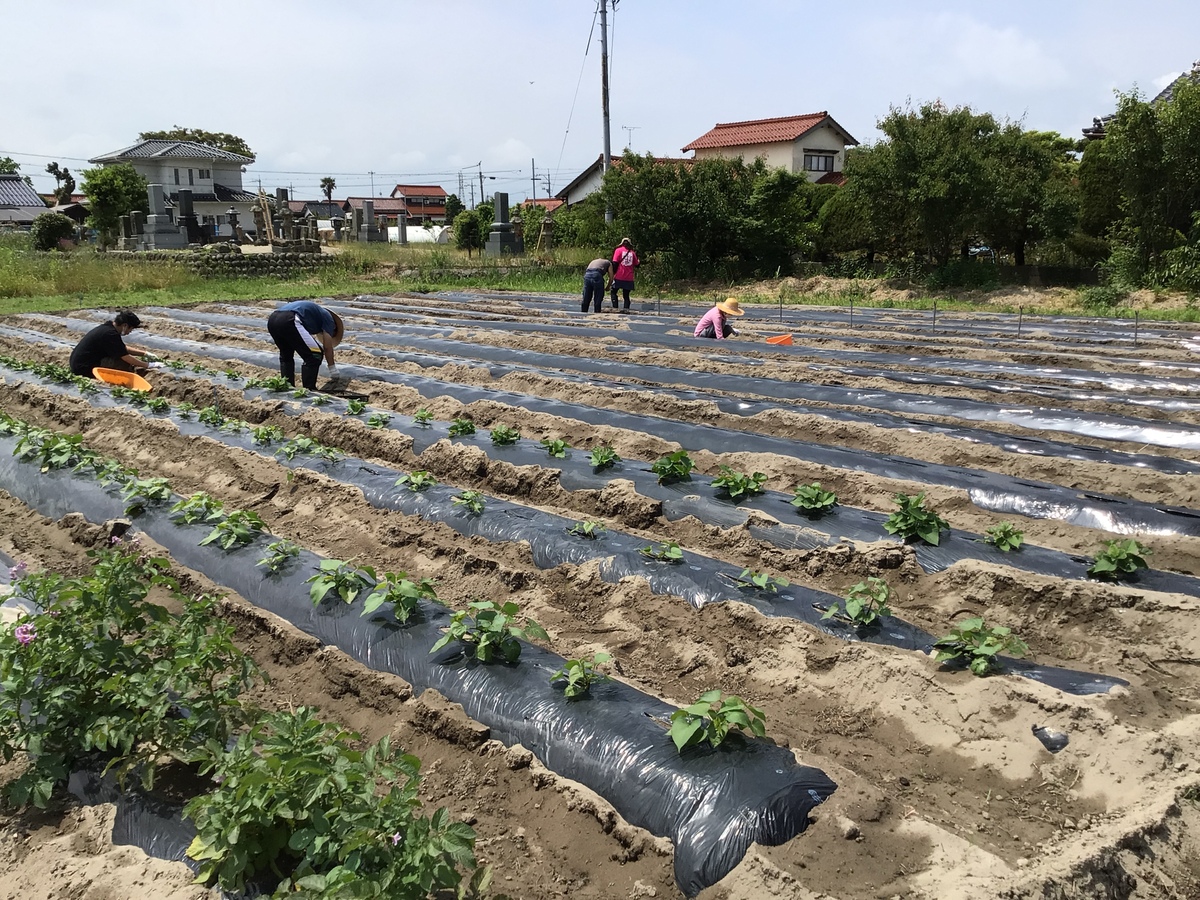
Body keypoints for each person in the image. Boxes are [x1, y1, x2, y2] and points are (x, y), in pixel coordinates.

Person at [267, 300, 345, 390]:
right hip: (290, 319)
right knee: (315, 354)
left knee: (286, 355)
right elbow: (327, 347)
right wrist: (332, 369)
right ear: (335, 327)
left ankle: (287, 387)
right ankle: (309, 390)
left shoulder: (315, 315)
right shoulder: (329, 320)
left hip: (273, 319)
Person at [69, 310, 150, 377]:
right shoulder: (110, 334)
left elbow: (121, 349)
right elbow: (125, 357)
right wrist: (147, 365)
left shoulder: (107, 328)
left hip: (77, 364)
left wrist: (145, 354)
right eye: (131, 329)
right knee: (122, 363)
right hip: (84, 368)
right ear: (125, 325)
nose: (130, 332)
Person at [609, 237, 640, 311]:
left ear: (622, 243)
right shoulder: (632, 253)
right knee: (626, 295)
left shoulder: (618, 251)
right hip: (629, 277)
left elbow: (615, 263)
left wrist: (612, 274)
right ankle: (626, 309)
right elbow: (637, 265)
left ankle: (615, 308)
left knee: (613, 292)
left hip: (619, 276)